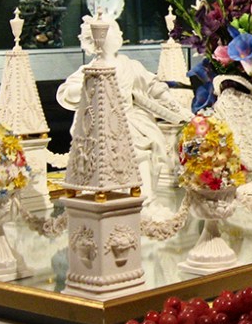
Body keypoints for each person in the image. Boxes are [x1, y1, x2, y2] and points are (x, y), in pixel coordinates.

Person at [56, 16, 188, 205]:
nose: (113, 36)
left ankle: (144, 198)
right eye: (108, 32)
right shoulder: (88, 69)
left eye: (113, 31)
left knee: (140, 146)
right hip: (98, 125)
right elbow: (66, 93)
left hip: (129, 120)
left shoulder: (130, 65)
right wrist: (89, 86)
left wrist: (175, 107)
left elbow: (153, 87)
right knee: (103, 149)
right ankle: (108, 196)